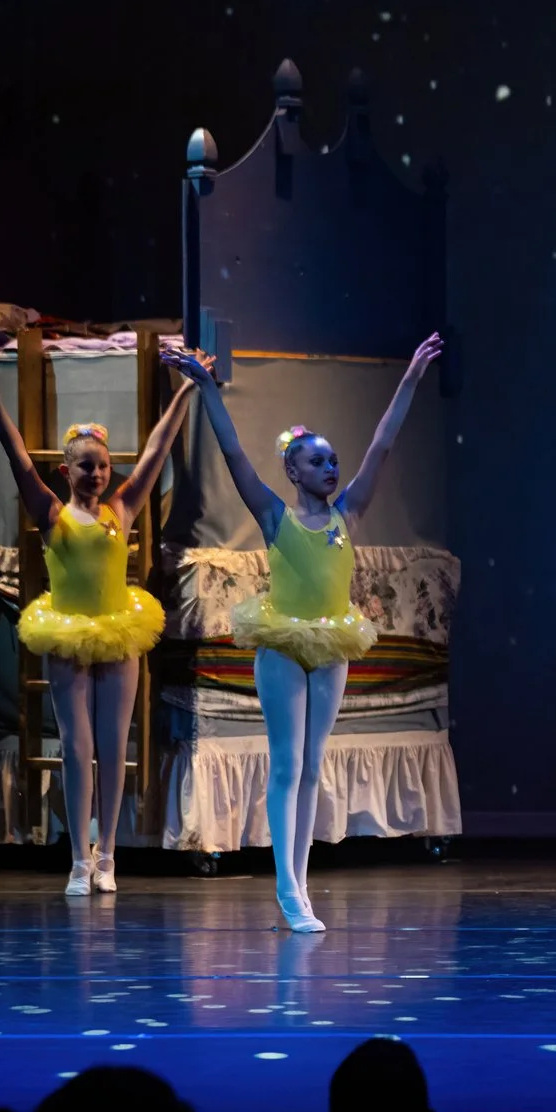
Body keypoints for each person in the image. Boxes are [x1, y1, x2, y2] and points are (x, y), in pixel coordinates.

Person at [166, 335, 443, 932]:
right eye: (318, 461)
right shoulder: (274, 515)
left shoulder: (350, 513)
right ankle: (287, 887)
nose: (331, 468)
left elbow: (383, 444)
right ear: (292, 470)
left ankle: (302, 882)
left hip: (333, 642)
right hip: (282, 644)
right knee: (288, 764)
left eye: (332, 461)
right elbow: (234, 452)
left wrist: (413, 376)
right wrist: (208, 388)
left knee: (314, 765)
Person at [0, 353, 193, 894]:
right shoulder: (50, 513)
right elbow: (16, 454)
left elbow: (158, 449)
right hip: (67, 631)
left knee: (115, 745)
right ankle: (77, 858)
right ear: (65, 471)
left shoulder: (123, 508)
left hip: (117, 631)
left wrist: (185, 391)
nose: (96, 472)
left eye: (102, 464)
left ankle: (109, 854)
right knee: (75, 746)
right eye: (85, 465)